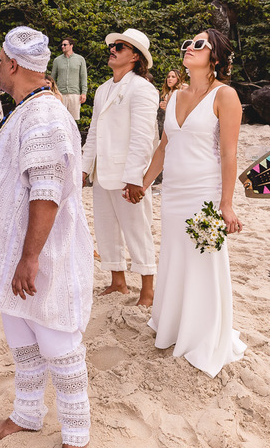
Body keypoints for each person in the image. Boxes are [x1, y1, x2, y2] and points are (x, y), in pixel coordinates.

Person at [0, 26, 94, 448]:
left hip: (43, 254)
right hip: (17, 254)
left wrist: (31, 256)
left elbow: (47, 190)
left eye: (1, 61)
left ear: (14, 64)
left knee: (58, 342)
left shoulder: (42, 116)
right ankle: (28, 413)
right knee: (22, 340)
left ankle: (76, 437)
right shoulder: (28, 109)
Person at [137, 28, 247, 377]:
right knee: (174, 255)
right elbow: (165, 146)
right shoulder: (176, 95)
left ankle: (203, 334)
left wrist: (226, 204)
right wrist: (143, 183)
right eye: (187, 43)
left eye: (198, 44)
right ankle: (173, 324)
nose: (189, 48)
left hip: (204, 191)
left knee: (204, 260)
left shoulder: (225, 95)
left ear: (214, 57)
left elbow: (229, 154)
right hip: (174, 192)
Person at [82, 28, 160, 307]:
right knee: (105, 227)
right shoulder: (103, 89)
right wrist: (83, 168)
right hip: (102, 171)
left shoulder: (143, 88)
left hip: (129, 174)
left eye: (120, 47)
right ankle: (118, 281)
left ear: (135, 56)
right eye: (113, 45)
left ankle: (148, 290)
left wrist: (135, 179)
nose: (112, 49)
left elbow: (142, 138)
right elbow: (94, 132)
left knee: (137, 229)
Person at [50, 38, 88, 120]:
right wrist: (52, 92)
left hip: (74, 95)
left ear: (71, 45)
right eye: (62, 45)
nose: (62, 46)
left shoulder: (80, 59)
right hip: (60, 94)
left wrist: (84, 92)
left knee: (73, 121)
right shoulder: (57, 60)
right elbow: (52, 78)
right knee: (60, 119)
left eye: (65, 45)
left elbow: (83, 76)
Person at [158, 67, 186, 135]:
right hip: (170, 124)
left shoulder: (183, 89)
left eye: (173, 77)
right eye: (168, 77)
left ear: (178, 79)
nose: (170, 79)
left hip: (181, 126)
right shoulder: (168, 93)